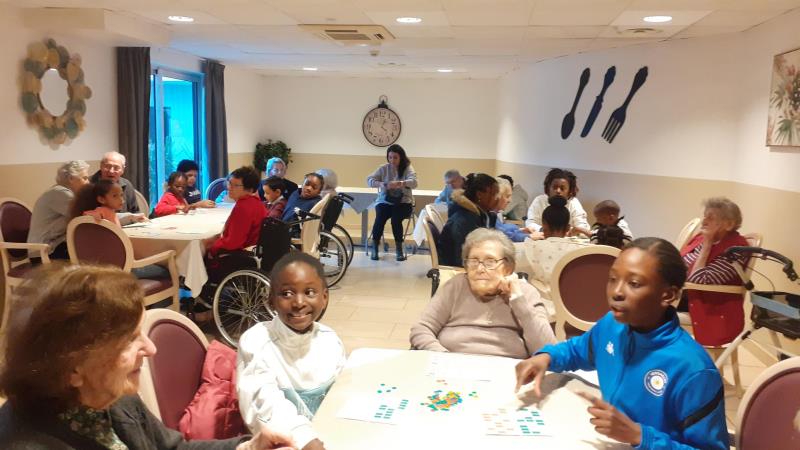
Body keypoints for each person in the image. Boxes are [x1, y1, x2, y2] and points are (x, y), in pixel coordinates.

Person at [0, 264, 296, 450]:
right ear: (71, 367)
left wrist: (248, 448)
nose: (151, 349)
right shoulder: (26, 442)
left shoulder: (111, 395)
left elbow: (170, 448)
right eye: (130, 339)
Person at [515, 238, 728, 450]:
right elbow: (577, 350)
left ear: (668, 295)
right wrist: (546, 357)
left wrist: (639, 436)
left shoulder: (693, 370)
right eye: (612, 279)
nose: (616, 292)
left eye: (634, 283)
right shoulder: (611, 325)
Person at [238, 252, 345, 450]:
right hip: (281, 443)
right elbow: (265, 404)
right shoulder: (256, 342)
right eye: (287, 293)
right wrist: (305, 440)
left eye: (310, 292)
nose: (299, 303)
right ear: (271, 300)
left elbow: (340, 394)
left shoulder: (330, 340)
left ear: (324, 297)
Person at [410, 228, 556, 359]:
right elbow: (422, 328)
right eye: (474, 261)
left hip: (506, 374)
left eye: (490, 261)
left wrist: (519, 301)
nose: (480, 269)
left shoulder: (525, 293)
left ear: (507, 268)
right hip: (451, 369)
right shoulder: (456, 286)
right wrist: (443, 358)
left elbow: (548, 350)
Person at [198, 167, 268, 317]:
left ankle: (203, 302)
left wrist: (212, 248)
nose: (229, 188)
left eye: (235, 185)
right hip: (255, 253)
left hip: (239, 258)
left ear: (249, 189)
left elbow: (233, 243)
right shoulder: (256, 204)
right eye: (229, 183)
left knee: (201, 254)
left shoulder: (244, 207)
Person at [680, 197, 750, 346]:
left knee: (645, 306)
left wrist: (707, 245)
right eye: (704, 216)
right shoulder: (702, 238)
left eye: (710, 218)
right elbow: (681, 262)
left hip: (707, 305)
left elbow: (698, 280)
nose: (704, 221)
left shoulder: (736, 249)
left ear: (729, 224)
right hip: (685, 293)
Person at [525, 196, 592, 297]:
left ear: (544, 226)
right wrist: (583, 231)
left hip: (544, 299)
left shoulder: (533, 246)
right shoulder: (579, 250)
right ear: (568, 228)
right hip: (571, 299)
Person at [27, 160, 90, 260]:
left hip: (55, 246)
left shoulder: (62, 192)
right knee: (90, 253)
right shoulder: (60, 193)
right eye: (85, 178)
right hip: (43, 253)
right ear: (71, 178)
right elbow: (84, 216)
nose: (88, 183)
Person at [366, 144, 418, 262]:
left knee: (396, 219)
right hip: (385, 201)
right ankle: (375, 246)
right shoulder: (383, 168)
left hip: (403, 202)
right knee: (380, 217)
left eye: (395, 157)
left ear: (401, 157)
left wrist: (400, 183)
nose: (392, 160)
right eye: (390, 157)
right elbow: (369, 180)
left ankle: (399, 249)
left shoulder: (408, 168)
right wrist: (382, 184)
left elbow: (414, 182)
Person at [437, 173, 498, 267]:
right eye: (493, 194)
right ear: (479, 194)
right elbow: (462, 259)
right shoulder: (465, 220)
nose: (497, 198)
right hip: (456, 270)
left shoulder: (481, 215)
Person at [525, 168, 590, 238]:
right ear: (548, 189)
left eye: (562, 188)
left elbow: (583, 226)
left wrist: (569, 231)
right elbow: (530, 223)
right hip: (543, 238)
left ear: (570, 191)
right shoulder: (539, 201)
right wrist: (544, 230)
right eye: (555, 187)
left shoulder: (574, 203)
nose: (558, 191)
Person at [70, 180, 147, 227]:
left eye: (121, 195)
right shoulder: (102, 210)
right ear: (101, 199)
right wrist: (94, 215)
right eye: (115, 196)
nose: (121, 199)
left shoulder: (111, 211)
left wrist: (133, 217)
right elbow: (86, 214)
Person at [494, 177, 531, 243]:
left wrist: (519, 230)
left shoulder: (517, 195)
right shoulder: (491, 214)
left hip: (518, 223)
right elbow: (502, 233)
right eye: (507, 196)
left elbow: (502, 229)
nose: (510, 200)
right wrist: (529, 236)